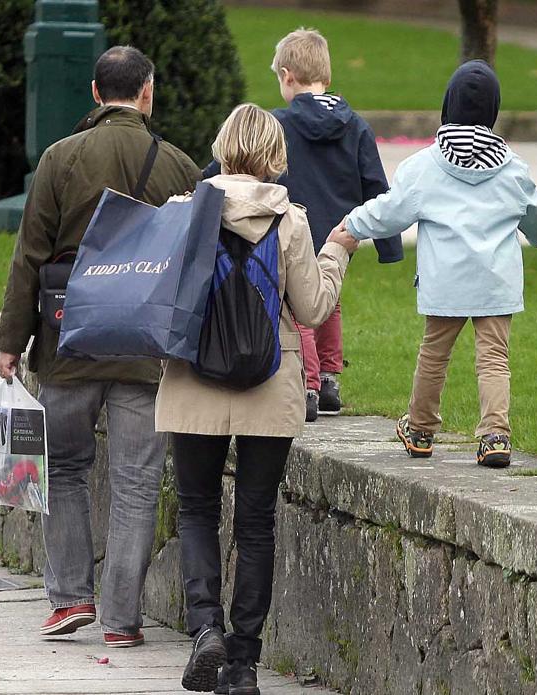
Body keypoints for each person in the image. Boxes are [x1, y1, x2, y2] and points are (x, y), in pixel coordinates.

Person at [0, 46, 201, 647]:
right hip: (144, 350)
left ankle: (69, 600)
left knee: (63, 471)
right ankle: (122, 619)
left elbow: (29, 257)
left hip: (67, 343)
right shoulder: (178, 166)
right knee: (136, 481)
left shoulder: (60, 159)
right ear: (147, 93)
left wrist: (12, 342)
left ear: (93, 92)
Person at [155, 103, 357, 694]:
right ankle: (243, 666)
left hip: (193, 379)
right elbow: (314, 309)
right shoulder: (291, 221)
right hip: (271, 381)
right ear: (273, 155)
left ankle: (205, 631)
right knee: (256, 523)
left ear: (222, 148)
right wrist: (338, 250)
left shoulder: (185, 212)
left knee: (196, 509)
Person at [337, 60, 537, 469]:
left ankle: (419, 429)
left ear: (447, 106)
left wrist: (351, 225)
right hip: (496, 285)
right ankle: (495, 436)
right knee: (493, 359)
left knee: (434, 355)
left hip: (444, 283)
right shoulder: (512, 168)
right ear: (493, 110)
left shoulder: (425, 166)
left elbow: (390, 211)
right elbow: (535, 214)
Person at [206, 28, 403, 423]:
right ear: (326, 77)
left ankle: (308, 384)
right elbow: (377, 187)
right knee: (329, 301)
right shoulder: (357, 126)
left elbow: (240, 163)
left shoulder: (278, 124)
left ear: (286, 75)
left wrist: (203, 187)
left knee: (297, 304)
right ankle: (330, 378)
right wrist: (388, 246)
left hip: (289, 225)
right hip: (339, 232)